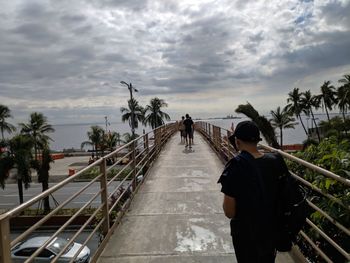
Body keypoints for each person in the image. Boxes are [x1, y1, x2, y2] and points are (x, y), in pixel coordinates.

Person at [218, 121, 290, 263]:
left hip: (246, 236)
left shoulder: (235, 168)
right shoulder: (275, 161)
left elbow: (229, 212)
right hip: (271, 230)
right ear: (258, 140)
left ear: (237, 142)